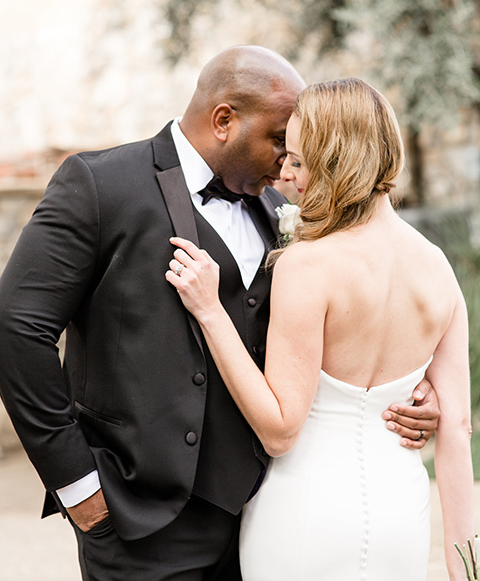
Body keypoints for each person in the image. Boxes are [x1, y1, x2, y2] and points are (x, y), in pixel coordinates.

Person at [0, 51, 439, 581]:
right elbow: (16, 328)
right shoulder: (99, 185)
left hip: (265, 519)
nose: (286, 163)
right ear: (225, 120)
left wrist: (405, 395)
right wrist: (79, 487)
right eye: (279, 139)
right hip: (138, 522)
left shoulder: (278, 211)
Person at [166, 78, 474, 581]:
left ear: (337, 162)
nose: (286, 174)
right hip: (402, 510)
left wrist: (210, 311)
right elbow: (457, 430)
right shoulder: (437, 266)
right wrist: (468, 568)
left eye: (300, 161)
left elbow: (281, 428)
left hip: (304, 514)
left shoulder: (309, 265)